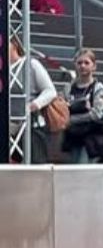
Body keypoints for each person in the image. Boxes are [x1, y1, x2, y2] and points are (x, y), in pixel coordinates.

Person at [8, 36, 59, 164]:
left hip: (32, 124)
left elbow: (50, 91)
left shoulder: (31, 64)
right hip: (9, 124)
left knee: (35, 165)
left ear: (14, 45)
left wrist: (33, 105)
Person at [61, 47, 103, 163]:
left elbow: (97, 114)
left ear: (94, 66)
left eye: (86, 63)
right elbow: (62, 110)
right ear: (75, 65)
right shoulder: (68, 88)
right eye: (79, 63)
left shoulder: (99, 88)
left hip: (93, 141)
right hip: (74, 139)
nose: (83, 66)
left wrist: (71, 119)